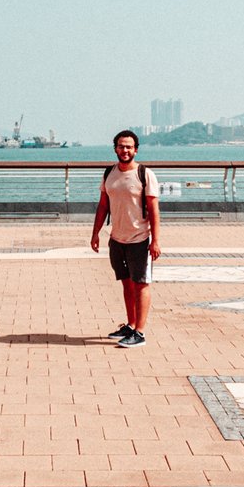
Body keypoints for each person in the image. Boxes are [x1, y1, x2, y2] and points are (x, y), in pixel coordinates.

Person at [90, 129, 160, 348]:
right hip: (117, 239)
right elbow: (103, 205)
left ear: (136, 150)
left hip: (139, 238)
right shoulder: (109, 173)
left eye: (129, 146)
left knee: (141, 283)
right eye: (121, 146)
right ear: (115, 149)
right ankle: (130, 325)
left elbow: (154, 209)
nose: (125, 150)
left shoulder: (144, 174)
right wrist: (95, 233)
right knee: (126, 283)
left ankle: (140, 332)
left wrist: (155, 241)